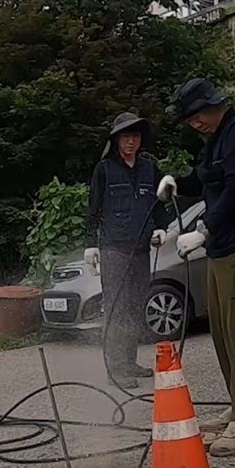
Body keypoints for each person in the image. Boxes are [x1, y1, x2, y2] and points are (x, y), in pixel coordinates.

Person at [157, 78, 235, 457]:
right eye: (189, 120)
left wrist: (205, 229)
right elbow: (206, 181)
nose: (194, 124)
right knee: (223, 331)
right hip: (222, 248)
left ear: (214, 105)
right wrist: (177, 182)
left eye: (196, 116)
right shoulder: (216, 140)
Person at [85, 112, 173, 389]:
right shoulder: (105, 170)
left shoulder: (149, 168)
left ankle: (129, 361)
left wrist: (162, 227)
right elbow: (93, 209)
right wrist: (90, 243)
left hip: (141, 250)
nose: (131, 141)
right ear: (117, 139)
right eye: (125, 136)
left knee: (135, 307)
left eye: (135, 136)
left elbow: (160, 203)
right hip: (114, 250)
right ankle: (115, 367)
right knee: (116, 307)